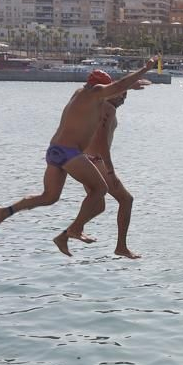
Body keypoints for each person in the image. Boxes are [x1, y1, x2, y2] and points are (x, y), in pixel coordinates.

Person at [0, 63, 153, 254]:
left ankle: (5, 212)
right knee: (100, 190)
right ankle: (75, 230)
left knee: (49, 197)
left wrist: (129, 86)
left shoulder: (81, 93)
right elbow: (114, 90)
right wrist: (145, 68)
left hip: (55, 151)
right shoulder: (97, 97)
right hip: (69, 153)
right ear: (98, 88)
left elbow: (115, 88)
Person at [65, 91, 140, 258]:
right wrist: (111, 171)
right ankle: (121, 246)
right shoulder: (107, 108)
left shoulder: (98, 107)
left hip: (87, 158)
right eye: (120, 95)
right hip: (96, 161)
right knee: (126, 200)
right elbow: (101, 143)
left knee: (99, 206)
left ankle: (67, 234)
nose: (122, 99)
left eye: (125, 96)